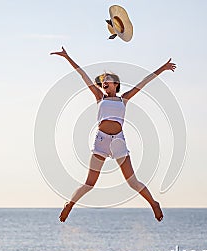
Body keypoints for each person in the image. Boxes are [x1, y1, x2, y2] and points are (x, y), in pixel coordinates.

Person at [50, 47, 176, 222]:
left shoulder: (124, 98)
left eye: (107, 80)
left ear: (115, 84)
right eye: (102, 81)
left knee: (132, 182)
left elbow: (144, 82)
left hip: (118, 142)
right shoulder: (99, 97)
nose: (104, 83)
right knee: (89, 184)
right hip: (101, 141)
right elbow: (82, 75)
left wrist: (163, 68)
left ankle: (153, 203)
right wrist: (67, 57)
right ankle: (69, 205)